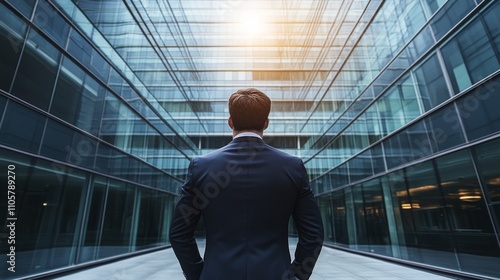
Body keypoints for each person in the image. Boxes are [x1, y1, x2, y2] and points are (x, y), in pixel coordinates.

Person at [169, 88, 324, 280]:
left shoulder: (201, 167)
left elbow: (179, 234)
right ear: (266, 123)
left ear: (230, 122)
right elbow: (314, 235)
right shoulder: (293, 167)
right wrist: (298, 276)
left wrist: (199, 275)